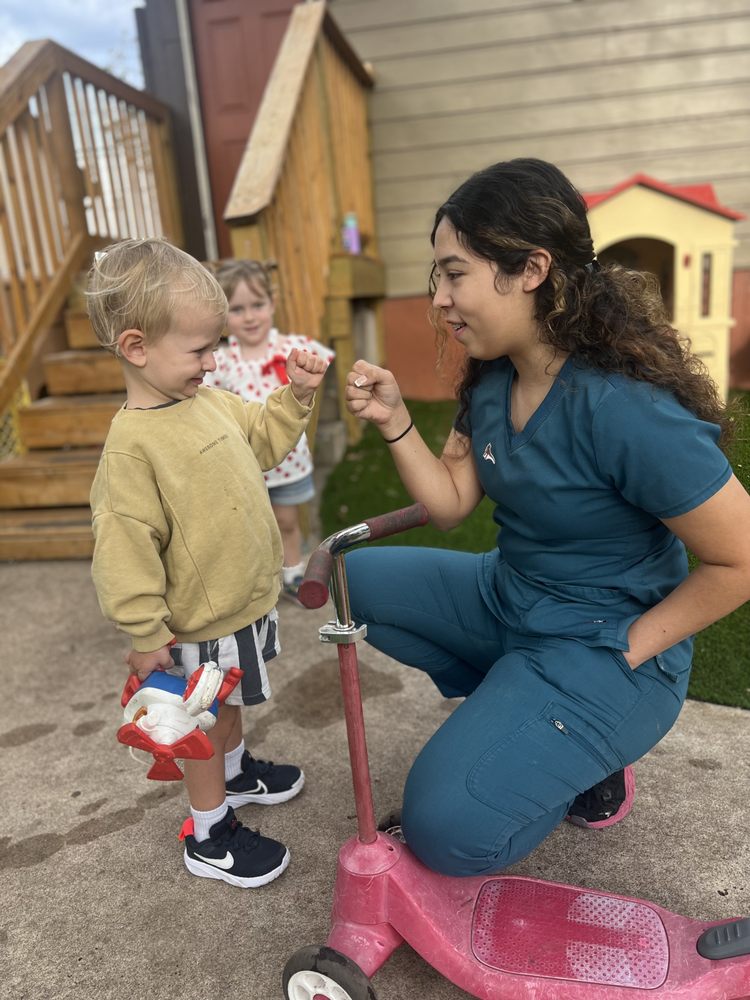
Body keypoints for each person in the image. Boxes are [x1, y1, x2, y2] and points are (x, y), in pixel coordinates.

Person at [343, 158, 750, 878]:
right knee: (353, 581)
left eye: (454, 272)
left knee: (443, 830)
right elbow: (450, 505)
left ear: (530, 269)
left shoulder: (625, 409)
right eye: (436, 277)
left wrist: (630, 647)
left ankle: (586, 752)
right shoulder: (492, 378)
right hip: (510, 598)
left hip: (601, 645)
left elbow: (741, 557)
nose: (438, 298)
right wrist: (395, 419)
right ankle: (527, 717)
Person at [87, 237, 329, 888]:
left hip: (240, 605)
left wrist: (295, 397)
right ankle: (209, 831)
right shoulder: (133, 449)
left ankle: (237, 771)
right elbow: (123, 551)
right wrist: (144, 635)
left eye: (214, 344)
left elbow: (268, 441)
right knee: (202, 723)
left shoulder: (211, 402)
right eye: (199, 349)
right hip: (196, 622)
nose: (213, 359)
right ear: (137, 347)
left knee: (233, 705)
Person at [205, 259, 335, 600]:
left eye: (258, 305)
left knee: (286, 521)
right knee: (246, 525)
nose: (249, 317)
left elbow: (320, 364)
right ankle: (257, 579)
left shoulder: (287, 348)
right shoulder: (221, 360)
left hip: (288, 461)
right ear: (222, 314)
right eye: (237, 309)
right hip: (244, 462)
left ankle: (292, 572)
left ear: (272, 304)